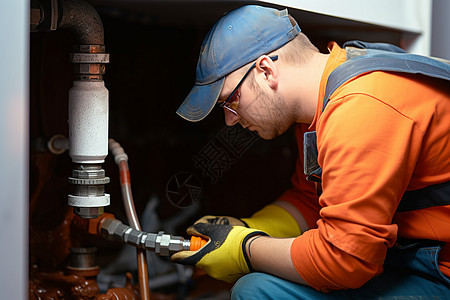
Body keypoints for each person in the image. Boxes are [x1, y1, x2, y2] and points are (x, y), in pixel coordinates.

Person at [171, 5, 450, 299]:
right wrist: (249, 227)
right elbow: (310, 200)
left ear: (266, 70)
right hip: (406, 256)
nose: (230, 119)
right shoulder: (321, 104)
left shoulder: (361, 106)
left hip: (440, 270)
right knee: (257, 287)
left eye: (231, 100)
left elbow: (345, 261)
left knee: (256, 292)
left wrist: (244, 248)